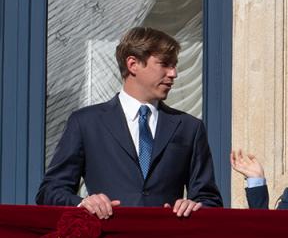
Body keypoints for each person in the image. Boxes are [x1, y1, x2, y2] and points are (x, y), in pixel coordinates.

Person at [36, 26, 222, 218]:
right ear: (133, 64)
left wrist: (194, 206)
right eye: (165, 64)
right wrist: (83, 203)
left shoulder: (189, 127)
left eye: (174, 65)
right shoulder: (86, 122)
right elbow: (50, 192)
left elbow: (209, 200)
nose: (174, 73)